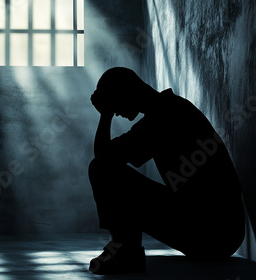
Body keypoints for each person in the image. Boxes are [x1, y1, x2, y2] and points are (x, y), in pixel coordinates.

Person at [88, 67, 245, 275]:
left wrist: (105, 115)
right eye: (111, 107)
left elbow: (103, 158)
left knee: (101, 169)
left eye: (114, 103)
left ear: (126, 92)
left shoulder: (163, 116)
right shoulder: (170, 108)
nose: (116, 111)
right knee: (105, 168)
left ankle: (126, 252)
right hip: (220, 233)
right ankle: (124, 249)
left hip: (212, 237)